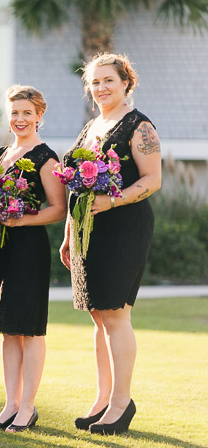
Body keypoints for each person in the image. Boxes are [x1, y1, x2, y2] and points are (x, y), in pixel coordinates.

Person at [60, 53, 161, 435]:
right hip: (88, 230)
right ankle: (103, 399)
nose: (101, 88)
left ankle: (122, 403)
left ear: (125, 83)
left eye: (108, 81)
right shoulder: (91, 127)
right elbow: (76, 184)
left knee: (116, 315)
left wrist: (111, 201)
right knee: (98, 316)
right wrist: (70, 232)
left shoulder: (140, 126)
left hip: (124, 227)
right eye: (95, 83)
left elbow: (152, 180)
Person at [0, 85, 67, 433]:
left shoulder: (47, 156)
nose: (20, 119)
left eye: (27, 113)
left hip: (29, 247)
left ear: (39, 116)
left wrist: (23, 219)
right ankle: (10, 405)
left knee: (29, 329)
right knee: (7, 330)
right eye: (14, 112)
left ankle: (28, 407)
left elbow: (58, 209)